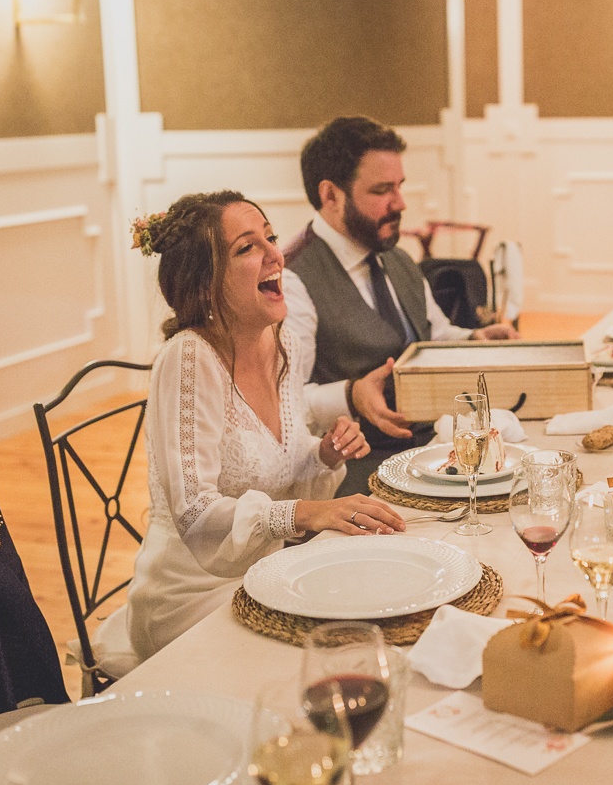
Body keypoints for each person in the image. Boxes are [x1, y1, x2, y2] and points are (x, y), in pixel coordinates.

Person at [125, 190, 406, 660]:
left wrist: (324, 455)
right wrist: (305, 513)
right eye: (247, 248)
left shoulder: (282, 342)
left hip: (271, 573)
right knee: (339, 644)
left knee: (378, 599)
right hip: (192, 598)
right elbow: (195, 513)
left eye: (270, 238)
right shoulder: (189, 357)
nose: (276, 255)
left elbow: (283, 462)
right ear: (205, 284)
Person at [282, 116, 519, 496]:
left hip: (434, 449)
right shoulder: (292, 279)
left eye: (400, 186)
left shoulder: (397, 258)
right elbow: (283, 403)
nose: (400, 203)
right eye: (382, 190)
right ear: (330, 195)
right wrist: (350, 395)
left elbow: (432, 336)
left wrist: (475, 337)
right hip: (354, 474)